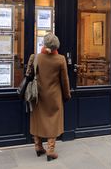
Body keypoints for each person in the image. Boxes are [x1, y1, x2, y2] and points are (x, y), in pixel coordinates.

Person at [28, 33, 71, 161]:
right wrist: (67, 94)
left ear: (44, 44)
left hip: (38, 94)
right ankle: (50, 150)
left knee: (37, 119)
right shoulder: (60, 59)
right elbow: (64, 80)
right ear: (56, 46)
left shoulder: (36, 57)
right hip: (54, 95)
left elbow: (28, 74)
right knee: (53, 120)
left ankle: (38, 146)